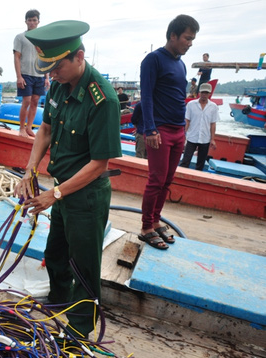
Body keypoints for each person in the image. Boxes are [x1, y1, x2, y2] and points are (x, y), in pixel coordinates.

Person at [13, 20, 122, 339]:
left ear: (79, 56)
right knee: (56, 254)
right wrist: (31, 169)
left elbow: (99, 164)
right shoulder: (59, 86)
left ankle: (79, 328)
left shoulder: (103, 100)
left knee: (85, 266)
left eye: (56, 66)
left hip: (86, 198)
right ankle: (58, 302)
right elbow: (45, 129)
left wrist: (55, 195)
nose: (50, 74)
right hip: (61, 192)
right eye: (46, 67)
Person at [138, 14, 200, 250]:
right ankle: (145, 228)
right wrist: (150, 128)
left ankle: (155, 221)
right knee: (156, 180)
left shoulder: (180, 63)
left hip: (177, 131)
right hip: (160, 131)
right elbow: (147, 97)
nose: (190, 43)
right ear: (173, 35)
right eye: (187, 38)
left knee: (167, 181)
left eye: (192, 39)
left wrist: (183, 129)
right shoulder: (153, 60)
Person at [13, 9, 50, 137]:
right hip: (26, 74)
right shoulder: (20, 37)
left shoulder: (42, 38)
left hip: (39, 74)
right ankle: (22, 128)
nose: (32, 22)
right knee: (26, 101)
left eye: (34, 20)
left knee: (35, 101)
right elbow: (17, 57)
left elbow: (45, 58)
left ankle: (29, 127)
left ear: (38, 21)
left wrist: (47, 77)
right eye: (30, 20)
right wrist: (19, 76)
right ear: (26, 21)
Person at [180, 83, 218, 171]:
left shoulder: (213, 107)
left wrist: (212, 139)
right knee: (185, 160)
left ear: (209, 94)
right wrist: (183, 135)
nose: (204, 95)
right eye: (203, 92)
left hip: (205, 138)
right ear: (199, 93)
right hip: (191, 137)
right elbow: (187, 121)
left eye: (206, 93)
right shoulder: (191, 104)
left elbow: (213, 124)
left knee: (201, 163)